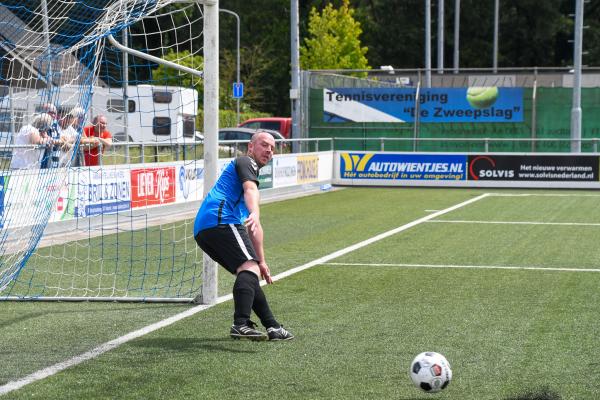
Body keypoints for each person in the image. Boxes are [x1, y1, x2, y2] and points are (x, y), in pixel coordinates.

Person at [193, 131, 294, 341]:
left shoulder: (248, 169)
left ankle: (272, 326)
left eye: (272, 148)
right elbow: (250, 190)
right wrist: (255, 212)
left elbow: (253, 228)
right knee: (249, 269)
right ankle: (240, 323)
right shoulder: (246, 161)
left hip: (206, 228)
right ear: (251, 146)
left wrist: (262, 261)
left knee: (249, 273)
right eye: (264, 145)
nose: (269, 150)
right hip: (219, 219)